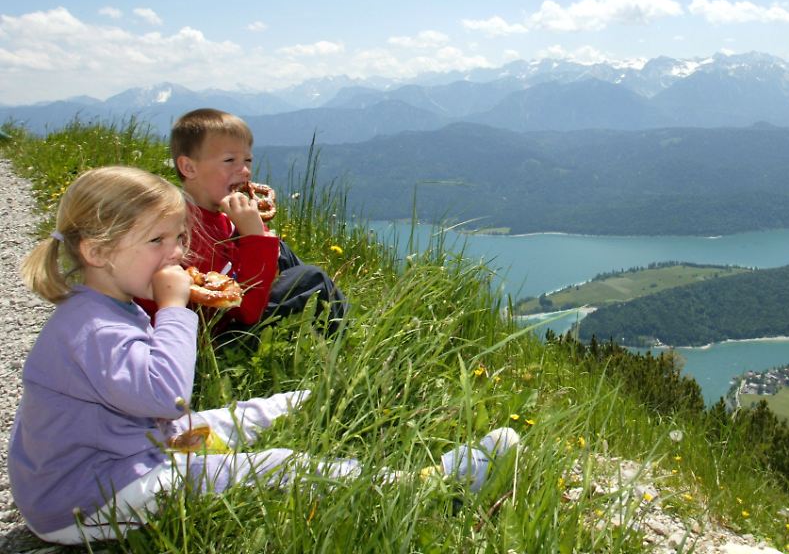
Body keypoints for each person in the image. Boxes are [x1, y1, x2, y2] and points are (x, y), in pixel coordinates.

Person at [10, 166, 519, 545]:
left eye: (180, 238)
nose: (178, 255)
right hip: (91, 501)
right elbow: (166, 396)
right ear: (97, 252)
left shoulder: (100, 307)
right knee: (277, 464)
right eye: (157, 241)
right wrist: (174, 308)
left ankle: (311, 399)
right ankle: (423, 486)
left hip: (97, 469)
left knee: (227, 420)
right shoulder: (92, 327)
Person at [165, 107, 346, 337]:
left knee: (280, 250)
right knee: (313, 278)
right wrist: (254, 237)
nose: (245, 171)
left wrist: (257, 236)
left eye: (247, 160)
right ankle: (341, 337)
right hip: (220, 334)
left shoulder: (220, 217)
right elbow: (245, 311)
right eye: (230, 160)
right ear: (189, 168)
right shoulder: (183, 231)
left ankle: (324, 319)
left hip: (240, 306)